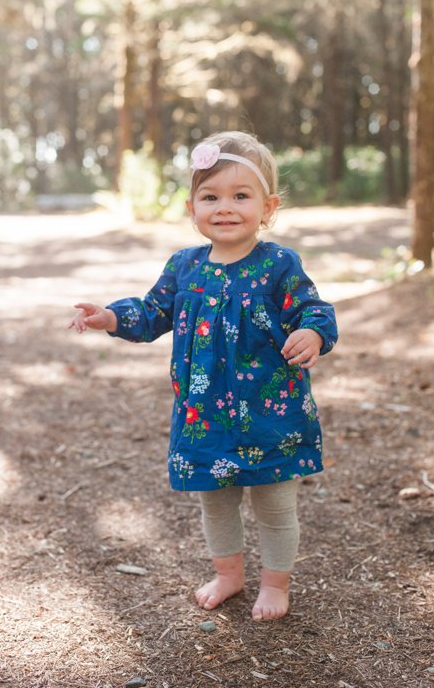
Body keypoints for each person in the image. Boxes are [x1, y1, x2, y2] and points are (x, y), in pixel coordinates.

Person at [69, 131, 338, 621]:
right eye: (210, 197)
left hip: (271, 414)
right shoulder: (184, 266)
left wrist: (314, 335)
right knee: (215, 504)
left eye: (241, 196)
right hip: (204, 415)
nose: (225, 207)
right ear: (192, 208)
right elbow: (153, 314)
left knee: (275, 506)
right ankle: (229, 575)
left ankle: (276, 584)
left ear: (267, 206)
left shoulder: (278, 264)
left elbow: (313, 309)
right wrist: (109, 317)